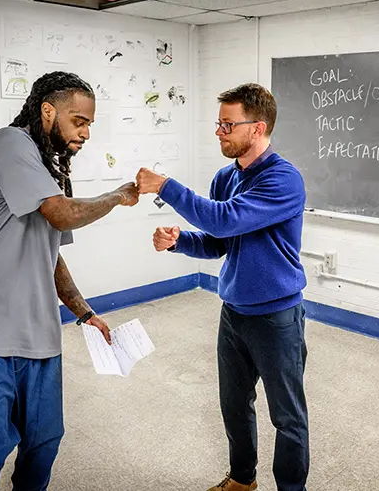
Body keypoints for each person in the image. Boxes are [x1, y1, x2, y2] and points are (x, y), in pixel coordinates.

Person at [0, 71, 139, 490]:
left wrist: (85, 313)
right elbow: (62, 215)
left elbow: (50, 254)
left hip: (39, 338)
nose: (85, 133)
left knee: (43, 446)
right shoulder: (9, 142)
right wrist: (117, 196)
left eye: (89, 124)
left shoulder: (49, 168)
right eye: (78, 121)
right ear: (48, 111)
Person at [136, 83, 309, 491]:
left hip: (276, 317)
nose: (219, 132)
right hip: (234, 313)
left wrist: (165, 186)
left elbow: (224, 219)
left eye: (228, 124)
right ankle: (242, 480)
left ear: (258, 128)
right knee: (234, 405)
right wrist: (179, 241)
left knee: (287, 416)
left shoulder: (283, 180)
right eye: (218, 123)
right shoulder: (225, 178)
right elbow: (219, 241)